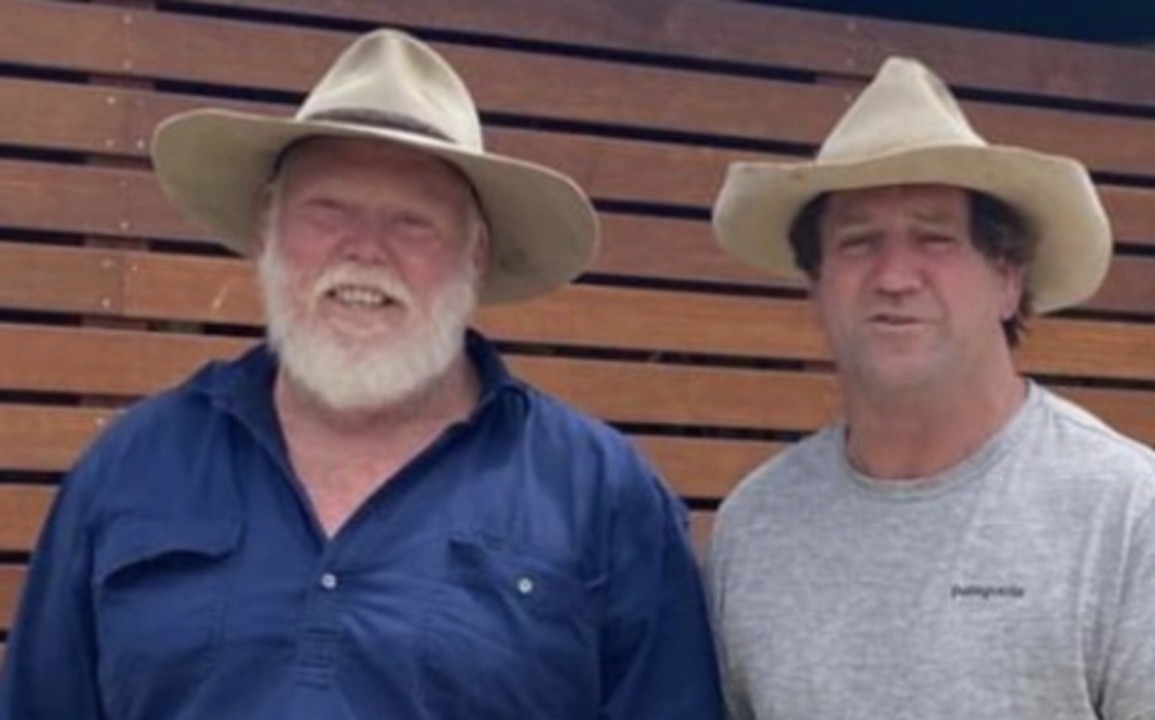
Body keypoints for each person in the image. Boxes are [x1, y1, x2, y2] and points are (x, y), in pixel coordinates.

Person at [0, 29, 722, 720]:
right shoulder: (130, 470)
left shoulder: (600, 496)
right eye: (328, 210)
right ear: (266, 230)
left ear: (475, 258)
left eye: (412, 222)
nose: (365, 250)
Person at [706, 56, 1155, 718]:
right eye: (859, 242)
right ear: (817, 284)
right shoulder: (756, 528)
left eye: (934, 239)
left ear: (1007, 278)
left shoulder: (1133, 519)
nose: (895, 275)